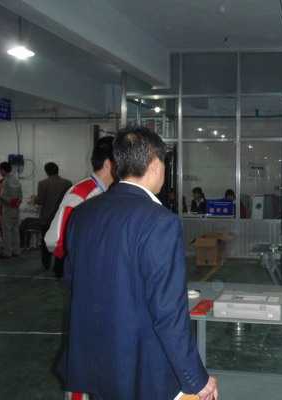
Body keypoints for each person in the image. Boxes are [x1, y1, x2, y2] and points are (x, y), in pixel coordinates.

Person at [60, 126, 218, 400]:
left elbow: (72, 280)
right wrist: (196, 378)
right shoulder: (160, 221)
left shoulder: (83, 214)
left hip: (95, 359)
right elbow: (168, 312)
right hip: (141, 368)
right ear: (155, 165)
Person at [45, 136, 114, 277]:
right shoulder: (82, 193)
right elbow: (54, 240)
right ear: (108, 164)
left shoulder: (109, 192)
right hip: (85, 271)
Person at [32, 162, 72, 270]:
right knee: (61, 243)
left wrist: (34, 199)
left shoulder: (42, 183)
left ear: (46, 171)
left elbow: (40, 201)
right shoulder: (68, 183)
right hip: (62, 218)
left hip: (47, 218)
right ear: (57, 170)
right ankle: (58, 268)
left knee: (46, 242)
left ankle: (46, 264)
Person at [0, 162, 22, 258]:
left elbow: (3, 196)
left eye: (0, 170)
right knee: (15, 230)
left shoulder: (5, 181)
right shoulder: (16, 180)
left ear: (3, 170)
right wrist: (16, 203)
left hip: (7, 209)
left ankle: (7, 252)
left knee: (6, 231)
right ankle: (16, 251)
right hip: (16, 208)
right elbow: (20, 196)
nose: (0, 172)